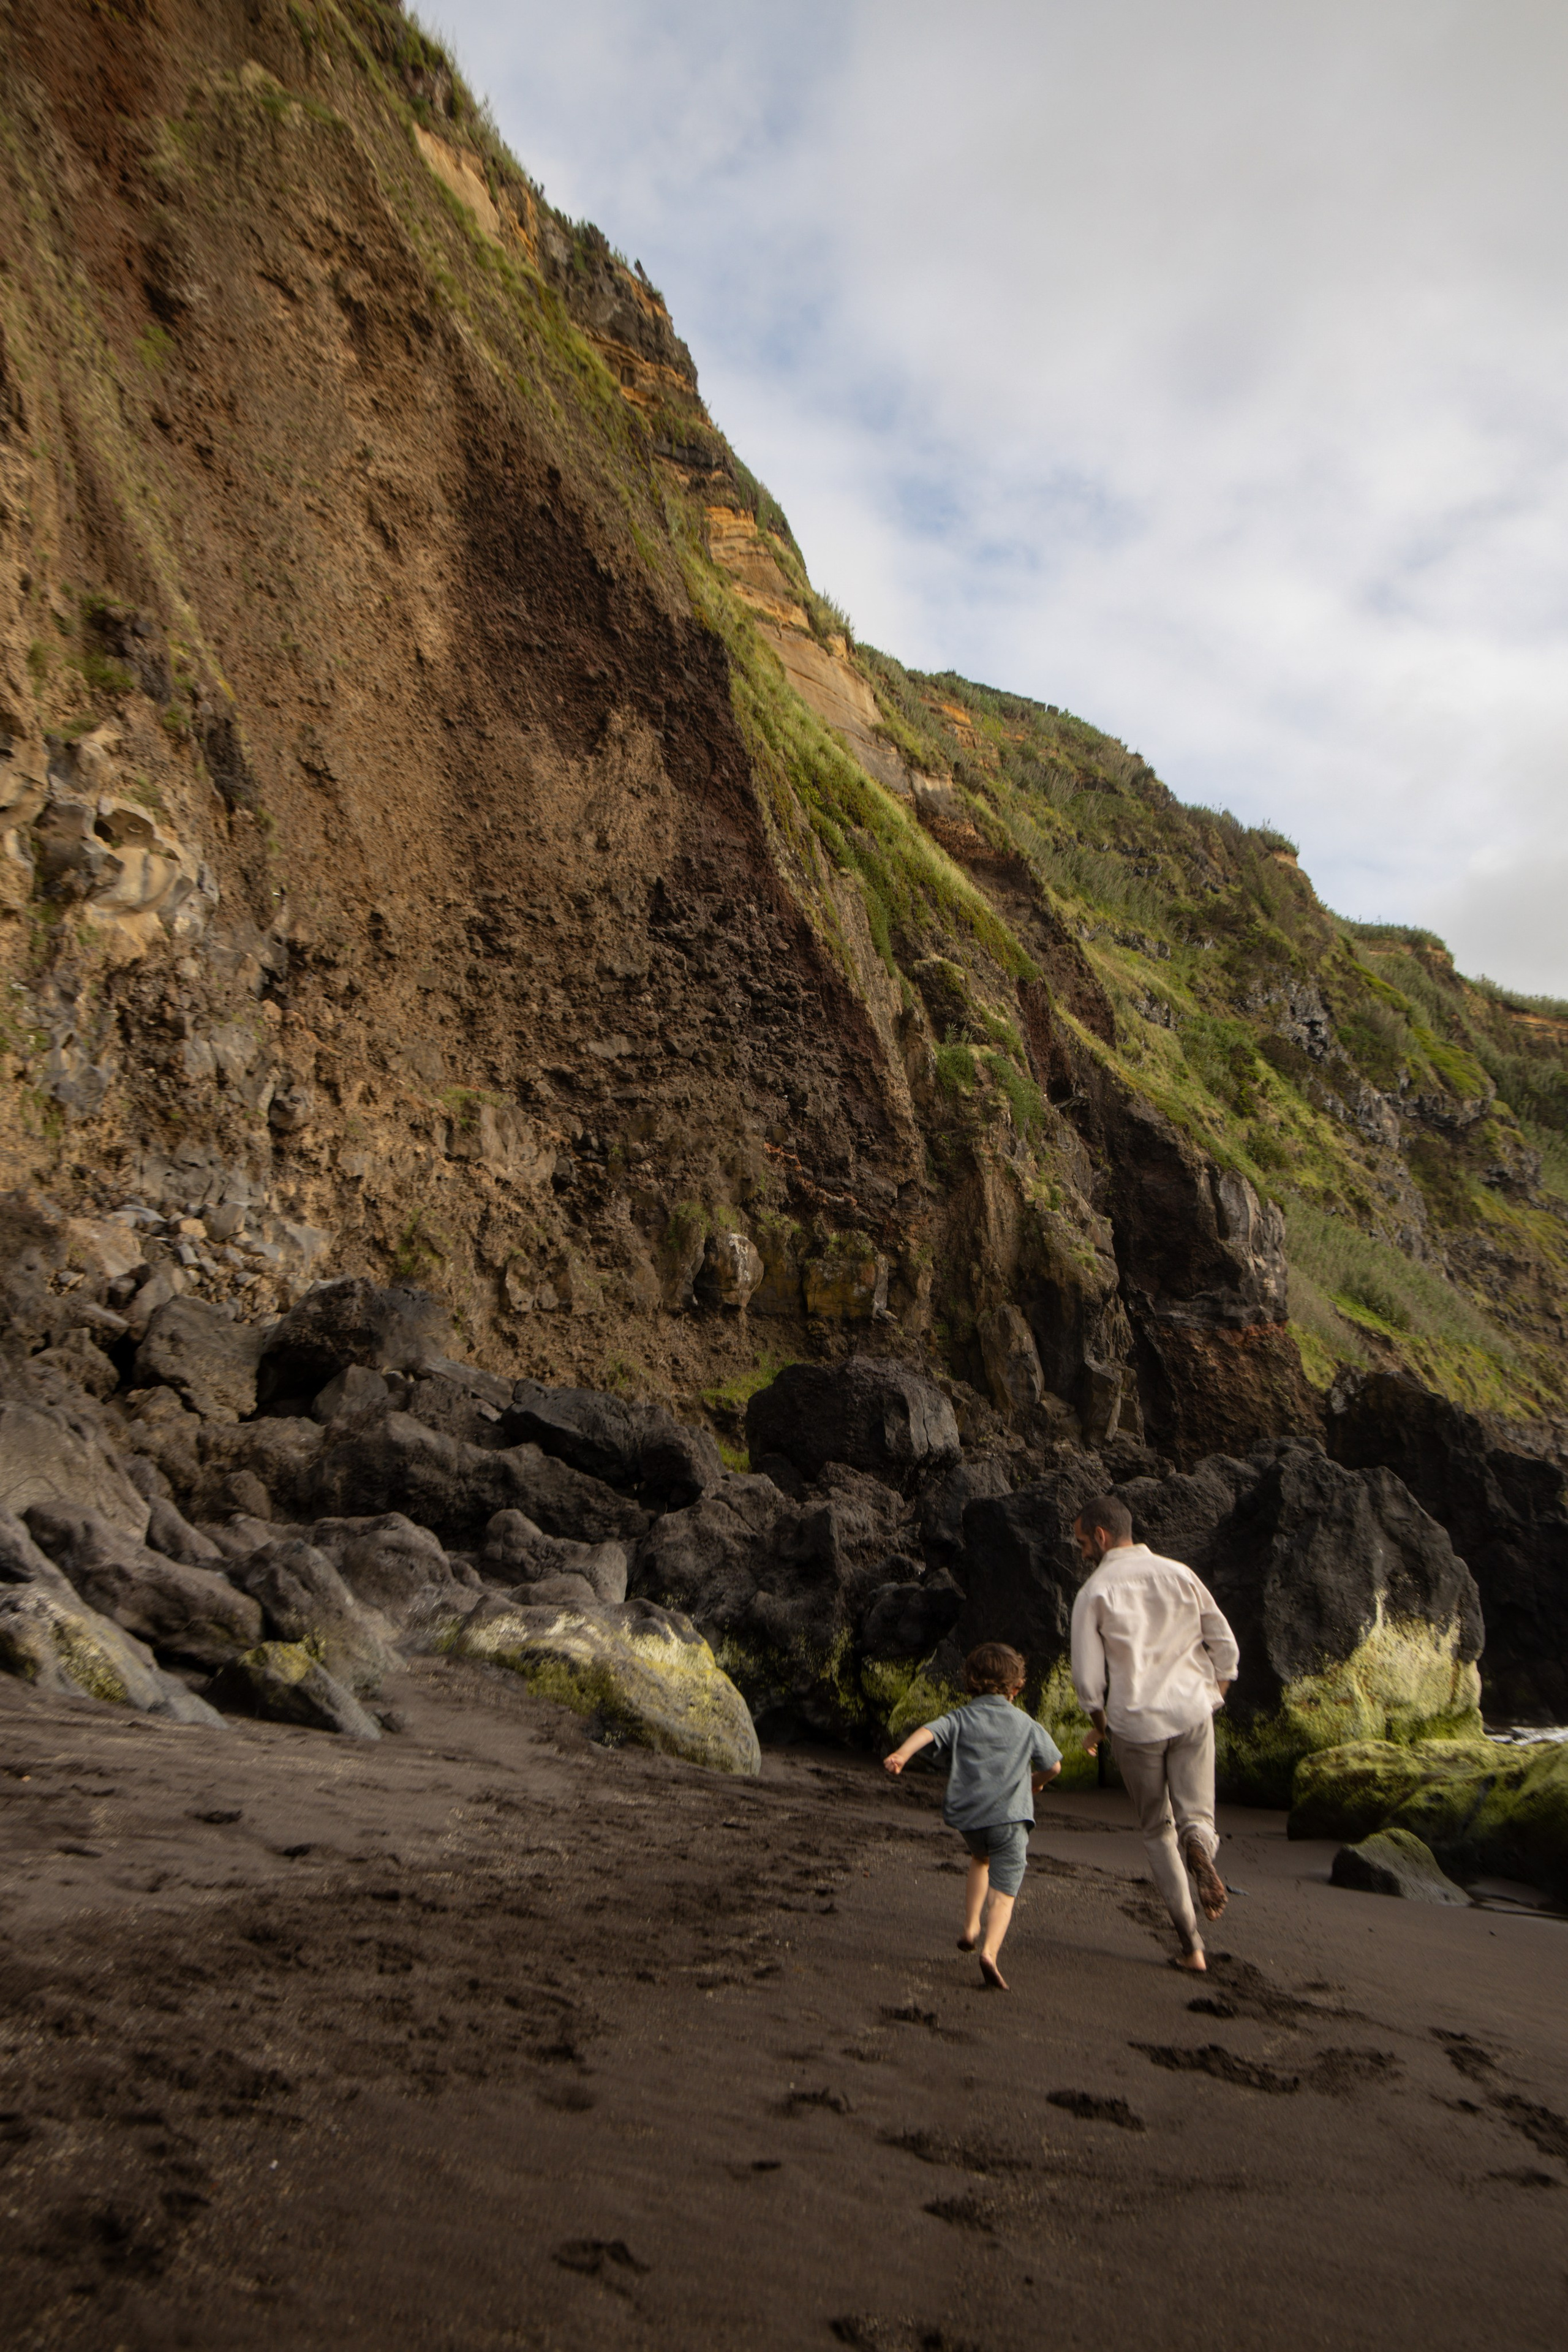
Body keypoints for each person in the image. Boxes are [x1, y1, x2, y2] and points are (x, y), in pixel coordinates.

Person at [1069, 1493, 1239, 1974]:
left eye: (1083, 1543)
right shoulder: (1180, 1574)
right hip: (1191, 1711)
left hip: (1135, 1724)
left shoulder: (1094, 1592)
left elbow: (1088, 1684)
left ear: (1101, 1536)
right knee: (1197, 1817)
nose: (1082, 1552)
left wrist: (1100, 1729)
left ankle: (1192, 1945)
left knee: (1157, 1831)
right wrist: (1213, 1696)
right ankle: (1199, 1848)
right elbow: (1225, 1646)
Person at [884, 1642, 1061, 1991]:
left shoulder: (961, 1717)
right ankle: (990, 1953)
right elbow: (1054, 1765)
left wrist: (902, 1754)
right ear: (1016, 1687)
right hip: (1010, 1820)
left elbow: (929, 1731)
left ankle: (969, 1928)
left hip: (971, 1820)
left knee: (980, 1859)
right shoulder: (1026, 1724)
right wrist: (1036, 1783)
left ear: (971, 1682)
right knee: (1004, 1891)